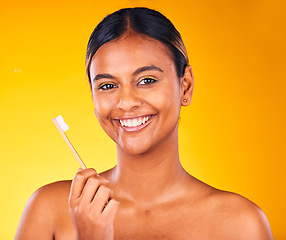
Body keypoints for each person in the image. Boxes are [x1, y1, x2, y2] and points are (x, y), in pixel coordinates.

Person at [15, 7, 273, 240]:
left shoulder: (241, 224)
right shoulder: (49, 210)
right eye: (107, 85)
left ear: (186, 86)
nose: (126, 102)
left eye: (147, 80)